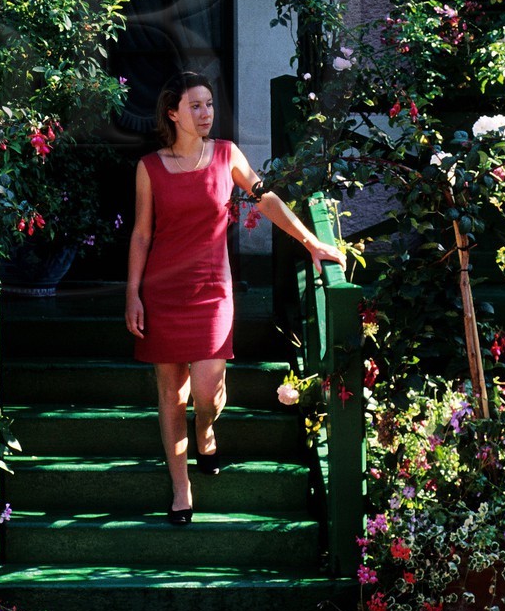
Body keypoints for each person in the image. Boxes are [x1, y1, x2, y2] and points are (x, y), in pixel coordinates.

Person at [125, 71, 347, 524]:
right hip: (163, 293)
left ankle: (206, 429)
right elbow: (142, 234)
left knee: (206, 393)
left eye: (209, 104)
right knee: (172, 394)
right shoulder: (149, 168)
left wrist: (310, 242)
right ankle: (181, 488)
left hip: (212, 292)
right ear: (173, 113)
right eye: (195, 106)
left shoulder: (227, 155)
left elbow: (266, 199)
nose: (205, 113)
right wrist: (133, 293)